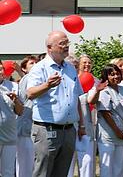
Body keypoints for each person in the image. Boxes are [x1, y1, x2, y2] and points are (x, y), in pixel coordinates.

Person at [26, 31, 84, 177]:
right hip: (47, 130)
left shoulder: (70, 68)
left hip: (69, 130)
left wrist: (81, 124)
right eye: (62, 43)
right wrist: (47, 85)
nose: (66, 46)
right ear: (49, 47)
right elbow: (30, 93)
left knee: (61, 172)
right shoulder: (39, 68)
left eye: (67, 43)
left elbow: (75, 97)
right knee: (43, 172)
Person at [93, 64, 123, 177]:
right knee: (107, 168)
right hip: (108, 136)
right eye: (112, 74)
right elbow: (105, 113)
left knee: (119, 168)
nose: (116, 76)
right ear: (106, 77)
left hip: (122, 134)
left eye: (117, 73)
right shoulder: (105, 91)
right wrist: (117, 131)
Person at [71, 55, 98, 177]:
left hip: (89, 121)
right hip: (72, 123)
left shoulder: (96, 81)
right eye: (84, 62)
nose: (87, 65)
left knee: (87, 158)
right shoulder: (71, 79)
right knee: (70, 158)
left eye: (89, 62)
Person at [16, 55, 38, 177]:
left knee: (33, 166)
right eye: (31, 63)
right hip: (25, 129)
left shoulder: (36, 79)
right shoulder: (28, 78)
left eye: (36, 63)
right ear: (24, 69)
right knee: (25, 166)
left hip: (34, 129)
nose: (35, 65)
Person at [0, 61, 23, 177]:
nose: (0, 72)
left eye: (1, 69)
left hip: (9, 135)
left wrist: (16, 101)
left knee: (8, 172)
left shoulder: (13, 86)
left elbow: (20, 111)